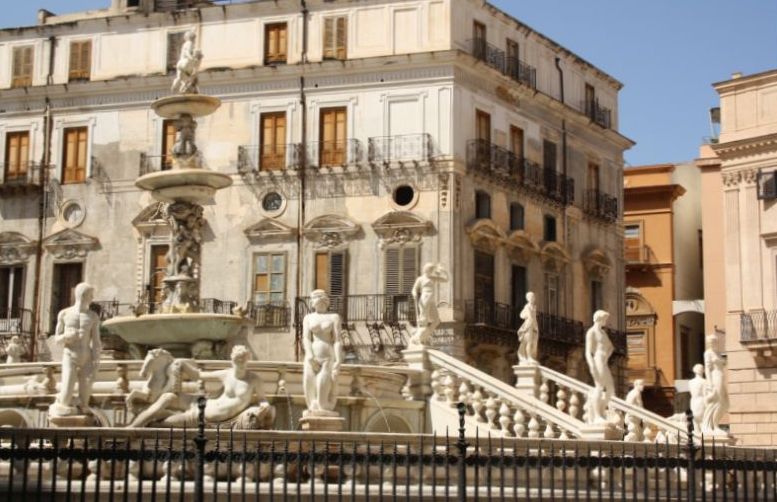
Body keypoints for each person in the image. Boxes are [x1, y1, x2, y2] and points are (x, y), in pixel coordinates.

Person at [50, 283, 102, 416]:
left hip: (87, 357)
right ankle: (62, 404)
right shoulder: (64, 314)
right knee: (66, 393)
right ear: (83, 295)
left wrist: (96, 358)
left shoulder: (93, 316)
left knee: (85, 401)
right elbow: (56, 339)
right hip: (70, 356)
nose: (92, 298)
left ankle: (81, 423)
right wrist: (66, 336)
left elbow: (96, 341)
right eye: (91, 295)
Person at [302, 290, 343, 414]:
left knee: (321, 389)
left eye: (322, 297)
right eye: (316, 297)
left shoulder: (334, 317)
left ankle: (325, 406)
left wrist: (338, 359)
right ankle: (313, 409)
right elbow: (306, 338)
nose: (319, 299)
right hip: (312, 356)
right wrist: (309, 355)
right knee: (308, 384)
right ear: (312, 302)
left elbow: (337, 340)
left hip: (327, 357)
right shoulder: (308, 318)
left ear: (327, 301)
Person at [584, 310, 615, 424]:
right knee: (599, 387)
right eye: (605, 319)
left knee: (610, 389)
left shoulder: (603, 333)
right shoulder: (591, 332)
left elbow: (611, 347)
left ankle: (601, 411)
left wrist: (606, 356)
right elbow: (588, 352)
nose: (606, 321)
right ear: (599, 319)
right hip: (597, 361)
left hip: (603, 361)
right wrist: (591, 365)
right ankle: (597, 415)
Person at [410, 263, 449, 346]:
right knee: (424, 320)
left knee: (436, 320)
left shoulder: (433, 278)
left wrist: (443, 271)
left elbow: (446, 279)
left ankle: (424, 336)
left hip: (431, 300)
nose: (431, 271)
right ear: (426, 270)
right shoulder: (420, 279)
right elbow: (414, 289)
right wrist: (414, 293)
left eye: (432, 269)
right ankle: (419, 339)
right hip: (424, 299)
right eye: (430, 269)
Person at [701, 333, 729, 435]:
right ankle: (712, 425)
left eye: (715, 341)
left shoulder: (717, 352)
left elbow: (723, 362)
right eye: (711, 341)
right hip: (715, 376)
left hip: (721, 376)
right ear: (708, 342)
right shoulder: (708, 353)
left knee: (725, 403)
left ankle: (714, 424)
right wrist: (710, 383)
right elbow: (707, 369)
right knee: (718, 400)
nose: (713, 343)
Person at [516, 292, 538, 365]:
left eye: (533, 297)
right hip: (528, 325)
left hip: (533, 325)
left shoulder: (534, 307)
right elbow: (527, 316)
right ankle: (528, 357)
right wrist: (533, 325)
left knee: (532, 342)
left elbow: (533, 318)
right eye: (531, 297)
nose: (533, 298)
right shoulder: (527, 306)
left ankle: (528, 356)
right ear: (528, 299)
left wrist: (535, 327)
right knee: (528, 342)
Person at [688, 363, 706, 433]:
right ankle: (701, 436)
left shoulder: (690, 382)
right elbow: (705, 394)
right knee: (702, 420)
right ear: (703, 371)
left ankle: (697, 435)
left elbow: (690, 392)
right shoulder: (705, 382)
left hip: (693, 401)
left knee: (695, 420)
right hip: (701, 401)